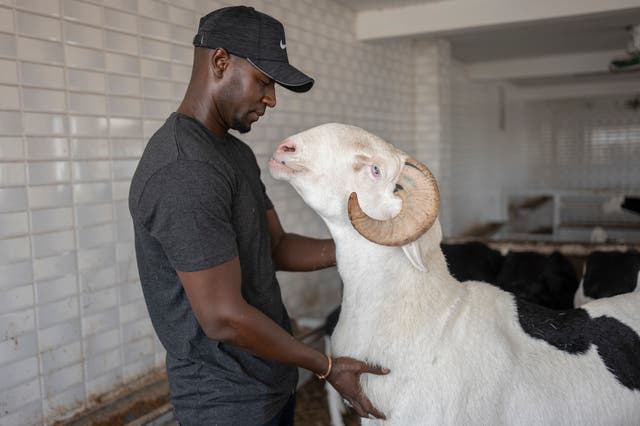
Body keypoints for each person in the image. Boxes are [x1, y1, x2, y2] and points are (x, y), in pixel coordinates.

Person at [129, 6, 388, 426]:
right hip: (225, 405)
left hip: (269, 384)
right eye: (264, 81)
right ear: (220, 61)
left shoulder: (233, 153)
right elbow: (223, 318)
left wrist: (362, 246)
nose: (271, 98)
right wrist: (325, 366)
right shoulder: (183, 170)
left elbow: (277, 247)